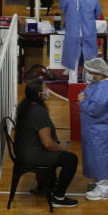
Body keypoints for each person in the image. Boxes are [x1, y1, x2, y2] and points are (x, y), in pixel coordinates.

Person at [13, 77, 78, 207]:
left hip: (23, 152)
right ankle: (58, 197)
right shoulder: (39, 112)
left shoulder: (26, 106)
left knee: (58, 153)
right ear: (39, 94)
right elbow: (48, 143)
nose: (48, 91)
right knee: (71, 159)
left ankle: (44, 186)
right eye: (45, 89)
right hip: (32, 155)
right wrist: (61, 148)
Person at [78, 58, 108, 201]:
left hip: (102, 132)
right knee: (97, 159)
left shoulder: (105, 88)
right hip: (95, 130)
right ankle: (100, 183)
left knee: (102, 159)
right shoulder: (102, 82)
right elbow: (88, 90)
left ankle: (104, 191)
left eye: (93, 73)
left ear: (100, 72)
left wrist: (82, 101)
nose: (91, 76)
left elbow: (95, 109)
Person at [62, 0, 102, 83]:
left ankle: (72, 85)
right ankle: (88, 84)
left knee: (72, 61)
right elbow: (97, 14)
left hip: (73, 33)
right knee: (89, 61)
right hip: (88, 32)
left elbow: (65, 11)